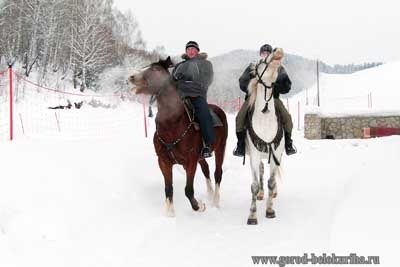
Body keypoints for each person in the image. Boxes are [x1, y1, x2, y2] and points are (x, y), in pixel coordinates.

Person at [233, 43, 297, 157]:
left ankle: (288, 144)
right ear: (260, 54)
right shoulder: (253, 66)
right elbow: (242, 82)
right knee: (240, 118)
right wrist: (253, 87)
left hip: (273, 98)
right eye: (263, 53)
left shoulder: (279, 68)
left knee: (287, 117)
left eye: (268, 53)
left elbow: (287, 86)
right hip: (253, 98)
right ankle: (240, 145)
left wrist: (273, 85)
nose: (265, 55)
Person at [172, 41, 215, 158]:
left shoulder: (206, 64)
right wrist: (175, 80)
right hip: (179, 96)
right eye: (188, 49)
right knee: (165, 113)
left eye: (193, 49)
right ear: (186, 51)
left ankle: (207, 145)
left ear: (197, 51)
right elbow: (172, 82)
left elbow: (208, 79)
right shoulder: (179, 65)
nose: (190, 51)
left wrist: (188, 80)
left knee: (204, 114)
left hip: (196, 95)